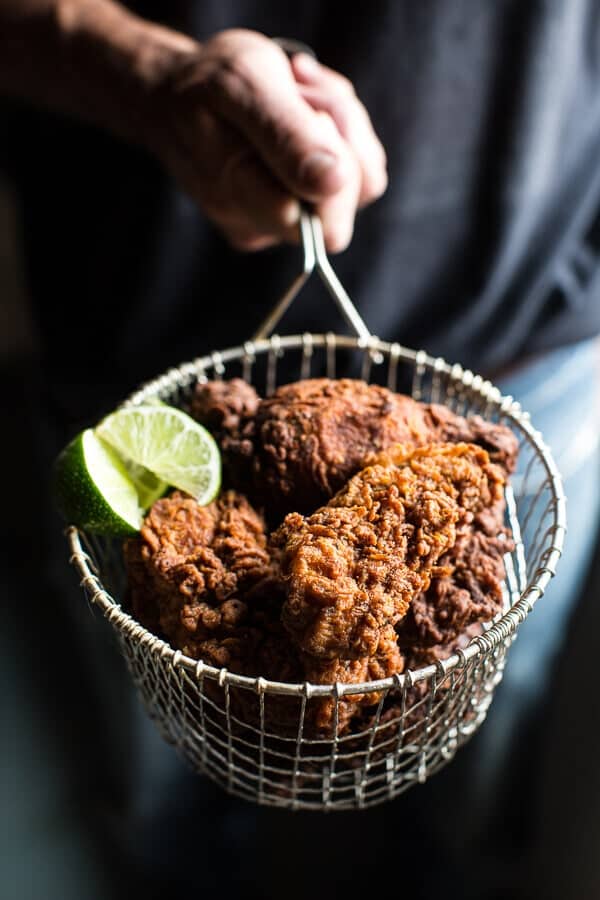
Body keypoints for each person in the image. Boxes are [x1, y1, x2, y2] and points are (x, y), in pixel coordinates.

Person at [1, 2, 599, 899]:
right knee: (167, 759)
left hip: (532, 319)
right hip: (151, 381)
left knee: (480, 746)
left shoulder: (438, 486)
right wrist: (144, 70)